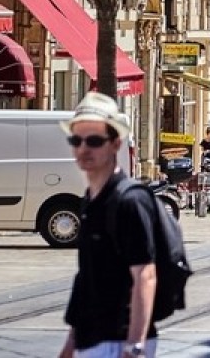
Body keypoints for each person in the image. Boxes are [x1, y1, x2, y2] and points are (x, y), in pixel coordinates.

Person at [60, 93, 159, 358]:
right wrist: (71, 343)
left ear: (115, 144)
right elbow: (87, 279)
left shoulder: (130, 201)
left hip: (119, 339)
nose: (83, 149)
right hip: (91, 339)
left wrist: (135, 345)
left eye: (94, 141)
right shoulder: (90, 200)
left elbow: (145, 276)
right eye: (76, 140)